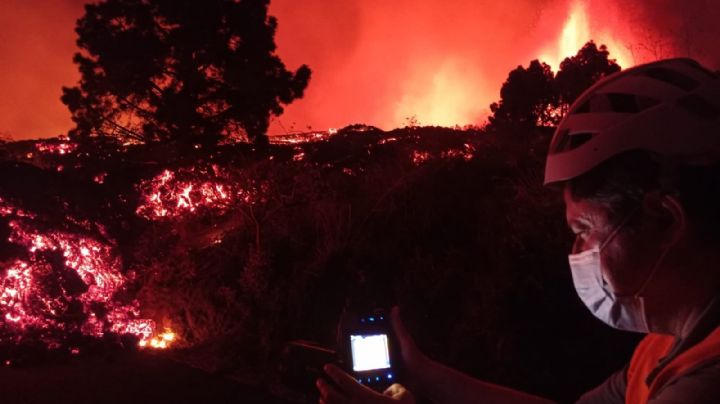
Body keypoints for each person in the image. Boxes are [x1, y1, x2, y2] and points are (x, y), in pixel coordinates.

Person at [316, 58, 720, 404]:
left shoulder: (704, 384)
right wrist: (422, 372)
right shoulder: (666, 346)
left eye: (586, 229)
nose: (578, 250)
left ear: (665, 220)